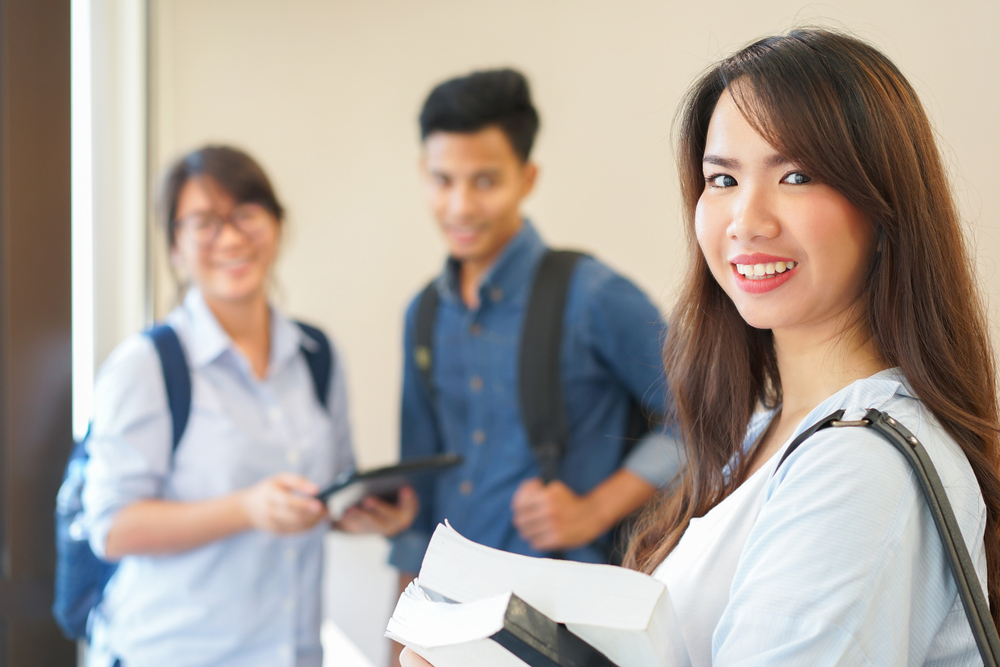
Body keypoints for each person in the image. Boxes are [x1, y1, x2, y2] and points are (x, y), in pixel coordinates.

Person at [402, 29, 1000, 666]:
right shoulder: (763, 434)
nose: (748, 219)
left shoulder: (857, 468)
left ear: (884, 209)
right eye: (722, 179)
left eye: (797, 176)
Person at [344, 68, 683, 664]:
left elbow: (707, 414)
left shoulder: (593, 295)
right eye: (442, 180)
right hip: (447, 625)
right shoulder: (421, 315)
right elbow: (419, 506)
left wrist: (595, 509)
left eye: (485, 181)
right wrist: (398, 639)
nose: (459, 205)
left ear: (527, 179)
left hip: (565, 624)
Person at [82, 146, 409, 667]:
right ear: (174, 246)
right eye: (204, 223)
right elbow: (112, 528)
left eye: (246, 215)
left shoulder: (316, 355)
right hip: (174, 652)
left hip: (293, 652)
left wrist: (365, 516)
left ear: (277, 225)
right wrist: (244, 510)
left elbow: (324, 498)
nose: (230, 238)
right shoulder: (147, 365)